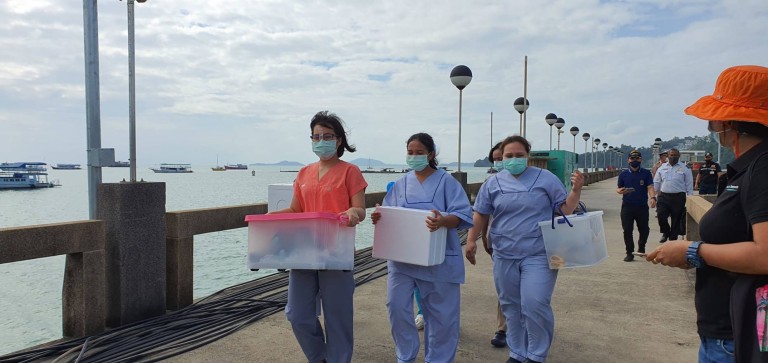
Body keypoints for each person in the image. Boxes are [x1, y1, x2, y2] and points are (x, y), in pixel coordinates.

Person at [647, 65, 768, 363]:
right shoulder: (749, 167)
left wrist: (692, 251)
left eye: (714, 120)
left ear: (731, 122)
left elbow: (765, 255)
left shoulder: (763, 168)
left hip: (738, 337)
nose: (712, 127)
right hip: (725, 331)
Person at [466, 135, 585, 363]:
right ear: (502, 158)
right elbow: (481, 212)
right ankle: (518, 352)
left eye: (519, 155)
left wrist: (576, 190)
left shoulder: (546, 179)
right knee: (511, 305)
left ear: (527, 156)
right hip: (504, 253)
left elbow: (564, 210)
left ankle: (536, 354)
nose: (514, 160)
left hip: (540, 252)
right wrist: (471, 240)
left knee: (535, 303)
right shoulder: (492, 183)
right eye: (509, 156)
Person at [272, 111, 367, 363]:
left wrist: (352, 213)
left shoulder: (350, 172)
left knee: (338, 318)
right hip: (303, 252)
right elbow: (295, 210)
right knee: (297, 314)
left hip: (337, 251)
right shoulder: (303, 173)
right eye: (316, 136)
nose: (321, 140)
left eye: (327, 136)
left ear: (338, 140)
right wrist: (268, 218)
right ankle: (319, 357)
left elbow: (361, 210)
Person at [371, 132, 473, 363]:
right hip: (402, 259)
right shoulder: (401, 184)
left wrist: (443, 220)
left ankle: (438, 359)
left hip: (439, 260)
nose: (414, 156)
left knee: (442, 316)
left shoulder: (447, 182)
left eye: (419, 152)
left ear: (431, 154)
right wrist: (379, 217)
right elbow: (388, 213)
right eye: (410, 152)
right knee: (396, 307)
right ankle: (405, 356)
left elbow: (463, 215)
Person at [481, 142, 508, 348]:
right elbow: (482, 214)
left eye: (502, 158)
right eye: (496, 159)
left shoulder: (536, 181)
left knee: (528, 290)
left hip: (531, 247)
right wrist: (481, 238)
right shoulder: (490, 183)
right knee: (504, 288)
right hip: (498, 244)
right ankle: (503, 328)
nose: (499, 162)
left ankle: (525, 324)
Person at [616, 150, 656, 262]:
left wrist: (653, 198)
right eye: (632, 158)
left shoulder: (646, 173)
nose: (634, 160)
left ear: (641, 160)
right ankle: (629, 252)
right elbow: (618, 188)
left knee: (644, 229)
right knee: (627, 230)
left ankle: (641, 247)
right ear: (628, 160)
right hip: (627, 206)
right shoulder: (623, 174)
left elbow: (650, 187)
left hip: (642, 206)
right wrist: (620, 191)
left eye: (637, 158)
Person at [653, 148, 694, 242]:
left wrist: (690, 198)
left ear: (679, 156)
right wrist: (654, 195)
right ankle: (666, 232)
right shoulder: (662, 167)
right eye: (671, 155)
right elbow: (656, 181)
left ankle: (673, 238)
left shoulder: (685, 168)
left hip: (678, 197)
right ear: (668, 156)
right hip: (663, 196)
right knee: (661, 216)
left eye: (675, 155)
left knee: (676, 219)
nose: (673, 157)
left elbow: (689, 184)